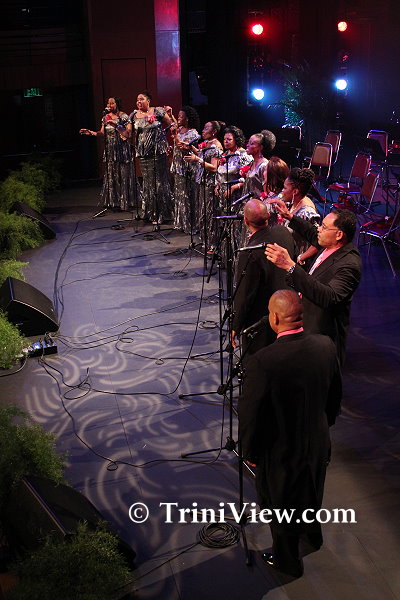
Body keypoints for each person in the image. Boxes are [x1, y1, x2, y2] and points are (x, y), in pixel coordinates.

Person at [238, 289, 342, 578]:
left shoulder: (263, 361)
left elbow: (250, 415)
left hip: (280, 450)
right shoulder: (326, 346)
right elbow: (335, 395)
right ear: (301, 315)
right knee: (313, 489)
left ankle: (288, 561)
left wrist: (250, 452)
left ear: (274, 318)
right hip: (318, 441)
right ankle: (313, 536)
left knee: (280, 505)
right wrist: (324, 427)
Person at [265, 207, 362, 367]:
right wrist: (290, 217)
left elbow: (329, 297)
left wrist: (290, 266)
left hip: (323, 340)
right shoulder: (329, 244)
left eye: (324, 227)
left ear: (339, 235)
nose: (319, 230)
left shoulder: (349, 264)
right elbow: (311, 232)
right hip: (309, 330)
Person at [231, 199, 295, 356]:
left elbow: (245, 293)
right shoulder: (283, 232)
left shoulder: (250, 252)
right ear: (268, 217)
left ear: (246, 221)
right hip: (289, 309)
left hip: (263, 319)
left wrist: (235, 325)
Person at [79, 97, 135, 211]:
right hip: (110, 150)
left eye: (112, 103)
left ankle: (125, 202)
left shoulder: (123, 116)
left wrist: (116, 125)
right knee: (112, 176)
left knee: (123, 175)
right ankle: (114, 202)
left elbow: (128, 132)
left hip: (122, 149)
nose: (109, 105)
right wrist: (90, 132)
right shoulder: (105, 117)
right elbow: (102, 133)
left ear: (117, 104)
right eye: (108, 103)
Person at [130, 90, 173, 223]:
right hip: (143, 154)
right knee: (148, 182)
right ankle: (151, 212)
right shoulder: (134, 115)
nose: (139, 101)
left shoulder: (158, 111)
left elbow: (172, 125)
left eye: (141, 99)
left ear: (148, 101)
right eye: (137, 99)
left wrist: (170, 115)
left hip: (158, 152)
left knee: (159, 182)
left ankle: (163, 213)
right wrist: (117, 126)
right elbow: (128, 133)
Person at [269, 167, 320, 267]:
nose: (282, 191)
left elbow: (318, 241)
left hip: (295, 265)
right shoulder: (292, 203)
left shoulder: (307, 213)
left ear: (295, 191)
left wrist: (301, 258)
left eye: (285, 188)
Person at [183, 121, 223, 251]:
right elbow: (201, 154)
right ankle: (206, 240)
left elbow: (214, 167)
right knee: (202, 212)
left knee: (209, 213)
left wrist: (197, 159)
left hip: (210, 184)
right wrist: (190, 148)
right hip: (201, 182)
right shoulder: (207, 143)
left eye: (206, 128)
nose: (203, 131)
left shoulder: (216, 146)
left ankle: (213, 243)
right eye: (204, 128)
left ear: (214, 131)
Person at [170, 106, 201, 233]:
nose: (178, 118)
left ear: (187, 119)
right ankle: (181, 222)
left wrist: (175, 136)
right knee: (180, 195)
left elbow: (183, 148)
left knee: (188, 195)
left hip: (187, 167)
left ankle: (191, 224)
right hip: (178, 166)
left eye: (181, 116)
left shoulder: (193, 133)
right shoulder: (179, 130)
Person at [260, 156, 289, 225]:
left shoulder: (281, 198)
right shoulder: (272, 194)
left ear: (272, 174)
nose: (263, 173)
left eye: (265, 170)